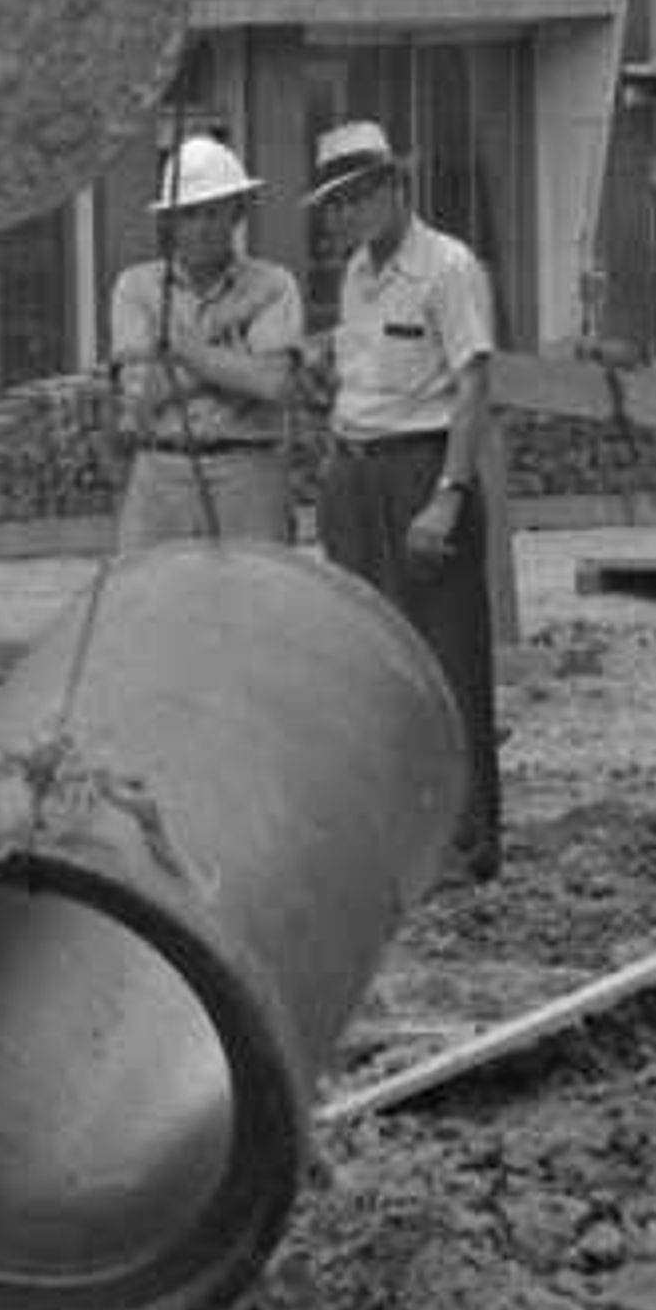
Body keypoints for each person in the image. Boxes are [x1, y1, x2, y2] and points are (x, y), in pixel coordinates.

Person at [306, 117, 501, 882]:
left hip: (422, 472)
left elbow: (474, 382)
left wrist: (448, 495)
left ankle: (465, 840)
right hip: (355, 472)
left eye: (358, 196)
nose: (347, 213)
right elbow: (364, 374)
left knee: (445, 662)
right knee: (371, 662)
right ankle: (396, 833)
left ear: (395, 188)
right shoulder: (357, 274)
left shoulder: (447, 267)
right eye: (335, 202)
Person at [105, 131, 302, 551]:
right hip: (160, 473)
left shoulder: (273, 282)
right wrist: (229, 346)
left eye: (214, 212)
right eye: (189, 214)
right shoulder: (136, 287)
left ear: (238, 214)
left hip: (248, 472)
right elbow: (141, 396)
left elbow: (272, 383)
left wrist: (180, 349)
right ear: (169, 222)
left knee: (254, 603)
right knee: (148, 604)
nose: (202, 227)